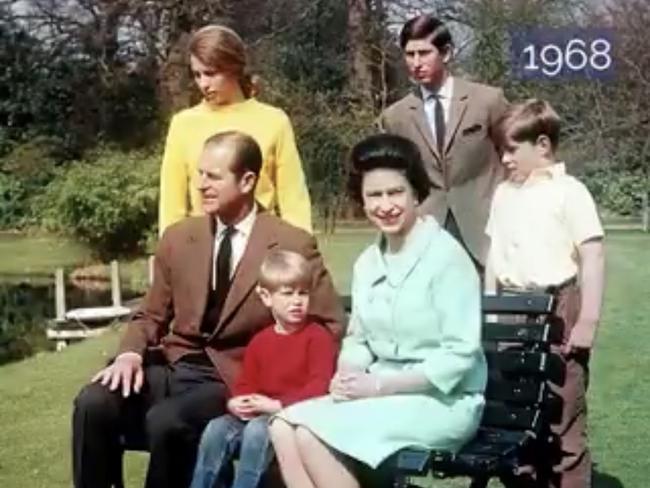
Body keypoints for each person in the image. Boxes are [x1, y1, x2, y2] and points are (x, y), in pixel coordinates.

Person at [72, 131, 344, 488]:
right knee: (93, 403)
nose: (201, 185)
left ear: (247, 180)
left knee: (166, 422)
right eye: (199, 174)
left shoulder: (291, 242)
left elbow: (328, 324)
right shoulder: (179, 237)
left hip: (234, 377)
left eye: (213, 176)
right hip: (173, 365)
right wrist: (129, 355)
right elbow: (151, 313)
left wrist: (281, 388)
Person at [268, 134, 487, 488]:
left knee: (313, 435)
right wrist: (350, 373)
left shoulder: (447, 258)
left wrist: (380, 385)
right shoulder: (368, 262)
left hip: (442, 402)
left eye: (395, 192)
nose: (385, 205)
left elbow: (459, 357)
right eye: (374, 195)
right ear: (362, 200)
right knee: (282, 426)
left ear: (416, 192)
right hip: (378, 394)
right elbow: (358, 339)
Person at [485, 99, 605, 488]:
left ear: (542, 145)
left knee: (562, 414)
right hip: (511, 310)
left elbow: (593, 257)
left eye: (511, 149)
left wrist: (587, 320)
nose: (504, 159)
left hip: (559, 310)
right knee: (517, 418)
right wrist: (491, 315)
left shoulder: (570, 192)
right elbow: (494, 256)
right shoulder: (504, 194)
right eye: (501, 150)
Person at [190, 249, 337, 488]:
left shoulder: (317, 337)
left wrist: (277, 406)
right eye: (288, 294)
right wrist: (238, 402)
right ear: (267, 297)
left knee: (258, 431)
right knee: (217, 429)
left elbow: (319, 388)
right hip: (260, 412)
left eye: (303, 293)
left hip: (296, 418)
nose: (297, 301)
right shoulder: (261, 341)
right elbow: (247, 383)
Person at [378, 14, 508, 268]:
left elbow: (514, 157)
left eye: (424, 53)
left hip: (486, 230)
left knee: (490, 307)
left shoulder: (488, 101)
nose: (416, 63)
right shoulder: (395, 117)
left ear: (446, 53)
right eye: (409, 54)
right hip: (427, 234)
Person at [159, 24, 312, 234]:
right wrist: (169, 256)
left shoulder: (273, 121)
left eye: (211, 73)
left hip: (261, 246)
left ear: (234, 69)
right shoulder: (183, 124)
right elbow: (171, 207)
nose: (203, 84)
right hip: (205, 247)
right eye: (197, 75)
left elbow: (294, 201)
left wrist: (300, 254)